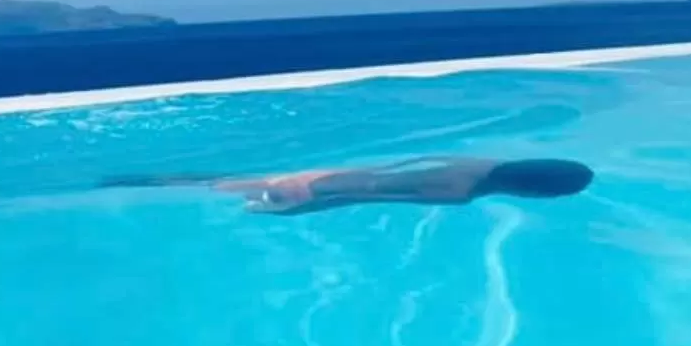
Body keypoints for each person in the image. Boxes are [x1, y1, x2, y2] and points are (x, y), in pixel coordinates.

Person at [99, 156, 593, 216]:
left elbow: (397, 165)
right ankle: (117, 180)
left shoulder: (480, 164)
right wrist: (291, 209)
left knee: (208, 179)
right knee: (214, 190)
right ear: (532, 192)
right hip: (313, 189)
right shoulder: (460, 193)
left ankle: (127, 174)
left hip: (321, 172)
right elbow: (365, 195)